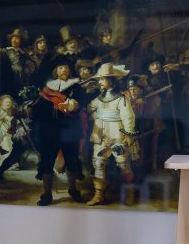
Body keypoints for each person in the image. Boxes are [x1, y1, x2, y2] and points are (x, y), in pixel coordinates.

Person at [30, 61, 85, 205]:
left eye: (66, 68)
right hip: (50, 131)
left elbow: (80, 103)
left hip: (69, 129)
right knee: (47, 162)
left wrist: (71, 105)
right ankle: (47, 194)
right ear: (56, 71)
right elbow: (37, 107)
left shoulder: (76, 86)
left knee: (71, 161)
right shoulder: (48, 88)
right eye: (61, 67)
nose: (64, 70)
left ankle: (73, 189)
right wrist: (29, 110)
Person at [86, 63, 137, 206]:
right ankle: (99, 195)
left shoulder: (122, 98)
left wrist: (128, 135)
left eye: (103, 79)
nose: (100, 82)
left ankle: (129, 192)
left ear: (111, 80)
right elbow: (89, 108)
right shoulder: (98, 98)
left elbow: (128, 118)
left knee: (123, 164)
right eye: (99, 79)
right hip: (100, 135)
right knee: (98, 163)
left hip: (117, 136)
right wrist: (95, 114)